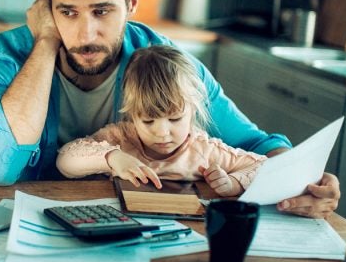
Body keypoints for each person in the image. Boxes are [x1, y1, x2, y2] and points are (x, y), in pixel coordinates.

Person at [0, 0, 340, 218]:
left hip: (133, 228)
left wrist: (302, 182)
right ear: (47, 7)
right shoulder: (2, 59)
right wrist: (45, 43)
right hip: (27, 224)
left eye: (102, 11)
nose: (85, 34)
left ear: (131, 2)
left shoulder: (163, 62)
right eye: (67, 12)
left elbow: (256, 145)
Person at [56, 45, 267, 197]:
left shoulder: (204, 150)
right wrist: (112, 158)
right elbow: (65, 161)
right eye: (148, 121)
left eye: (175, 119)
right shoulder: (120, 138)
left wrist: (233, 183)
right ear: (132, 115)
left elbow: (265, 167)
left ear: (193, 111)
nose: (162, 133)